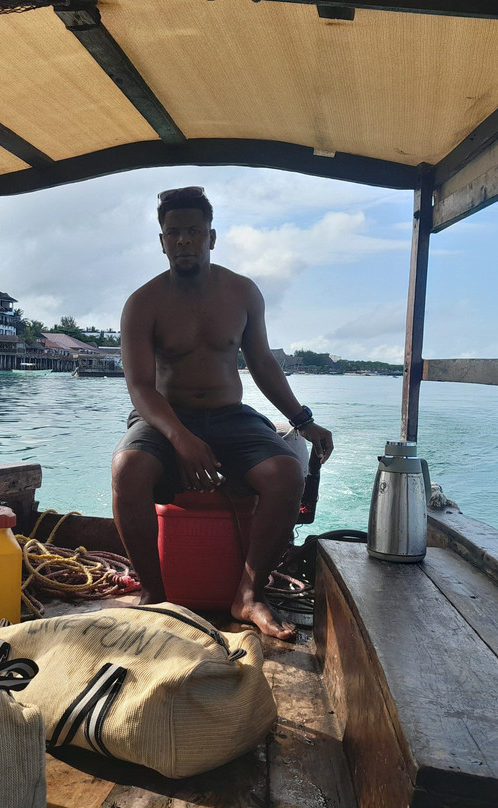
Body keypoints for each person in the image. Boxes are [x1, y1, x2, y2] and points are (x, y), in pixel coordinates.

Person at [112, 186, 334, 640]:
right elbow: (139, 387)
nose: (184, 241)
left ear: (212, 237)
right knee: (127, 468)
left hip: (231, 416)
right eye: (174, 234)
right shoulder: (143, 303)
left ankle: (248, 596)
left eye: (194, 231)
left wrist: (303, 420)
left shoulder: (242, 292)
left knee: (286, 473)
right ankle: (154, 594)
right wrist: (180, 438)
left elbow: (262, 364)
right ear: (162, 241)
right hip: (164, 416)